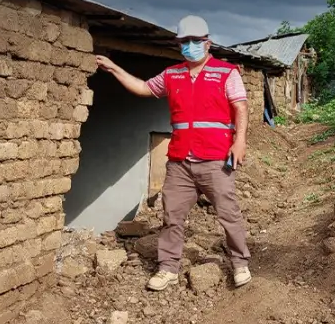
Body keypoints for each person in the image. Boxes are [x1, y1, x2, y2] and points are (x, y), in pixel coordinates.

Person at [94, 15, 252, 291]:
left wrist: (239, 142)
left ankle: (240, 263)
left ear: (207, 43)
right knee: (171, 217)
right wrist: (113, 69)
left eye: (195, 41)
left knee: (229, 214)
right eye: (185, 42)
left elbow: (241, 107)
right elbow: (143, 88)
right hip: (180, 161)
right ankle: (168, 268)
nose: (190, 46)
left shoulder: (227, 73)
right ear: (179, 44)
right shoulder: (172, 74)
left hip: (216, 159)